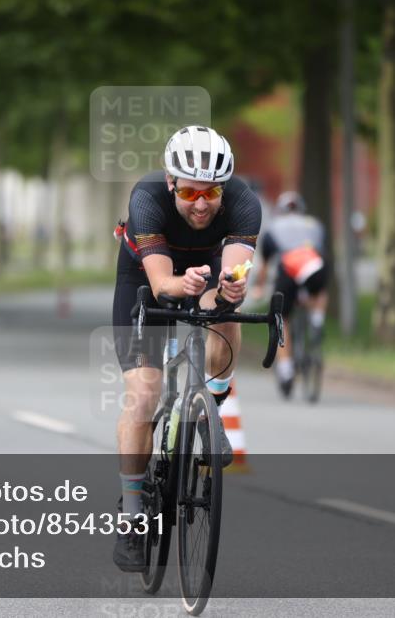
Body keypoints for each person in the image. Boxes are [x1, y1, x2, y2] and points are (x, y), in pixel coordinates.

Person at [111, 126, 261, 572]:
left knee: (226, 315)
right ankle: (132, 517)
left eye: (211, 192)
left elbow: (233, 275)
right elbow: (162, 286)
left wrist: (228, 290)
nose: (200, 203)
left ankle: (211, 407)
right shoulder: (147, 199)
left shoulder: (244, 203)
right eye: (190, 191)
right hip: (144, 277)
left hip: (207, 267)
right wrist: (185, 283)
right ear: (171, 182)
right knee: (144, 394)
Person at [252, 191, 329, 397]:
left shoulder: (274, 227)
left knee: (282, 318)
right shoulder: (315, 224)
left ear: (280, 211)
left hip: (289, 269)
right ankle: (317, 319)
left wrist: (259, 287)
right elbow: (322, 250)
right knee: (319, 291)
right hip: (314, 265)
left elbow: (265, 266)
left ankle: (286, 369)